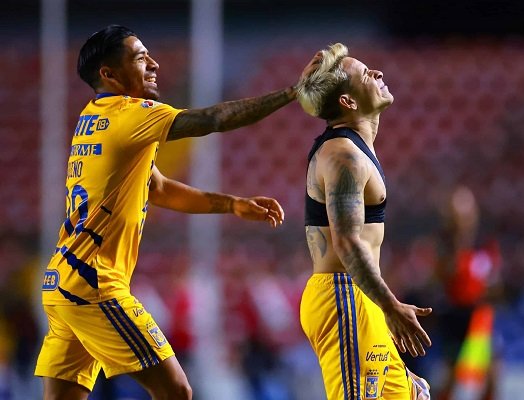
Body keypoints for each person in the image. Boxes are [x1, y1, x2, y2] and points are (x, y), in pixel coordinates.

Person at [34, 25, 319, 399]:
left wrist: (231, 204)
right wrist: (292, 92)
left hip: (62, 283)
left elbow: (159, 189)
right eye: (140, 58)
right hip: (96, 284)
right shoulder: (130, 113)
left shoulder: (93, 119)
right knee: (176, 391)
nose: (153, 64)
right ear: (109, 74)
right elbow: (213, 119)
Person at [296, 43, 432, 399]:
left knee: (412, 394)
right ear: (348, 102)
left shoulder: (354, 149)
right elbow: (347, 241)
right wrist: (391, 305)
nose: (378, 73)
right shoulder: (343, 155)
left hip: (360, 298)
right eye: (365, 74)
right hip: (341, 296)